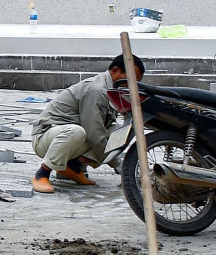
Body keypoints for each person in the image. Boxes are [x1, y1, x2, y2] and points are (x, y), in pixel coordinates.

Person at [30, 53, 143, 194]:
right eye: (129, 81)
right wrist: (119, 164)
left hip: (68, 140)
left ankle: (73, 167)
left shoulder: (112, 90)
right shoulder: (96, 91)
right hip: (46, 137)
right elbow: (94, 134)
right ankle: (42, 174)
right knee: (77, 132)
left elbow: (107, 129)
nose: (131, 86)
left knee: (116, 131)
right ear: (114, 71)